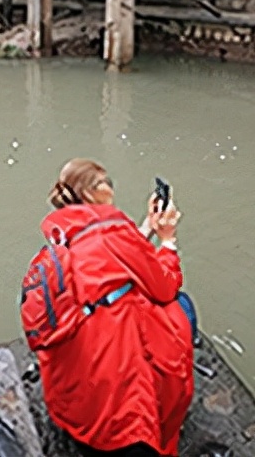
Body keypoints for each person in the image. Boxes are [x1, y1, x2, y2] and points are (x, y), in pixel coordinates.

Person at [34, 158, 195, 457]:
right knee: (180, 307)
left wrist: (146, 227)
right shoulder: (113, 233)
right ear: (95, 193)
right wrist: (168, 240)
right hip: (116, 426)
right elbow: (165, 286)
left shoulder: (61, 239)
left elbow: (110, 253)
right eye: (106, 182)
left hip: (68, 402)